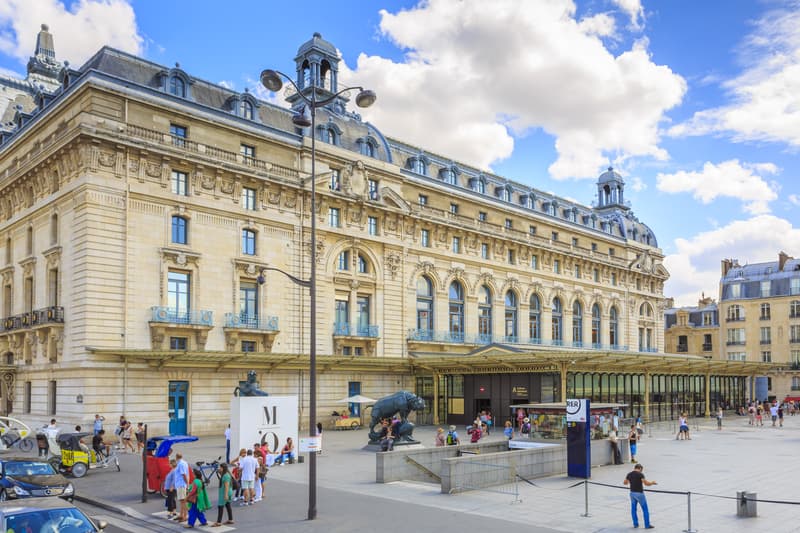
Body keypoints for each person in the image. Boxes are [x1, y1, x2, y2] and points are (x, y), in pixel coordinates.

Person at [624, 463, 657, 529]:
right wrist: (652, 483)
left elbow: (625, 483)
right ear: (640, 469)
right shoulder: (640, 474)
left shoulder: (629, 474)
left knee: (633, 509)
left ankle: (635, 524)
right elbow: (646, 484)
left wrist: (631, 481)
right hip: (639, 494)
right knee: (645, 509)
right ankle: (647, 525)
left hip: (632, 493)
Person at [174, 452, 190, 523]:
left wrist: (187, 484)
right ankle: (181, 515)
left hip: (181, 484)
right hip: (181, 484)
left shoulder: (180, 464)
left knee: (183, 501)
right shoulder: (184, 462)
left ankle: (185, 516)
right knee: (182, 501)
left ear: (176, 457)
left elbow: (183, 475)